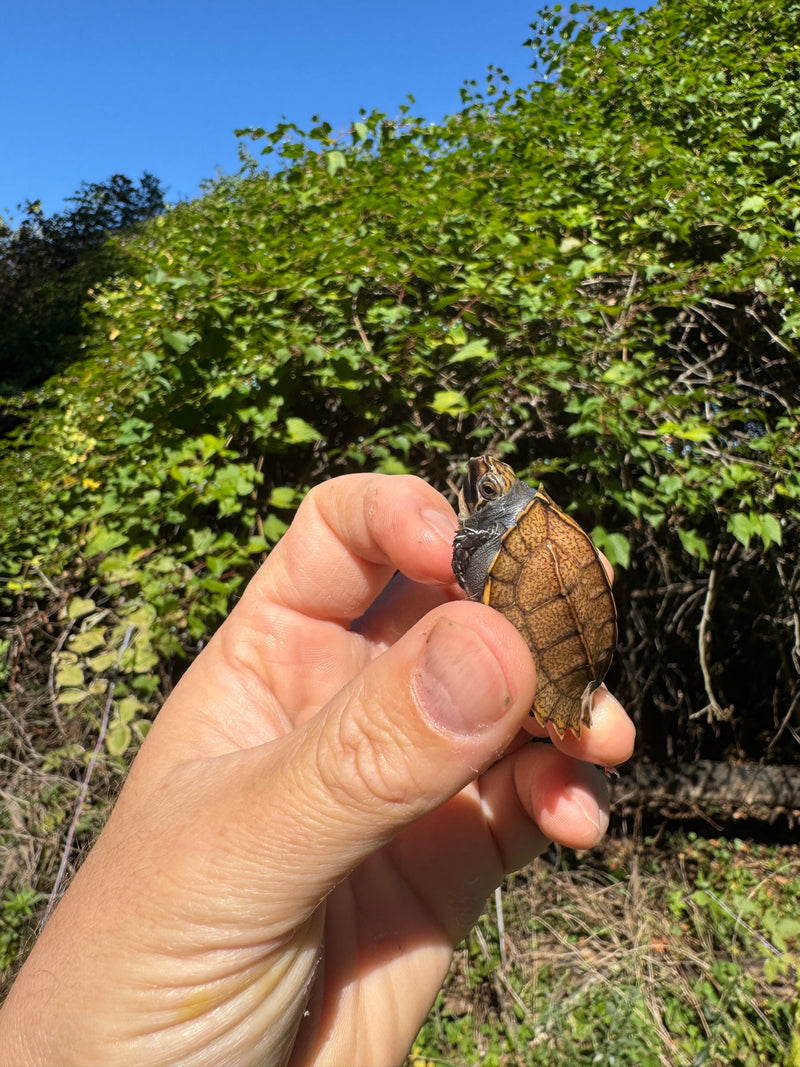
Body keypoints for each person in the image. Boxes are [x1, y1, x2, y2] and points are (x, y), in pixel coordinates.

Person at [0, 471, 635, 1066]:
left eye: (488, 483)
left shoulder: (506, 529)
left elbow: (486, 565)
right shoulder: (524, 522)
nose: (482, 480)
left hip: (545, 642)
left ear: (498, 493)